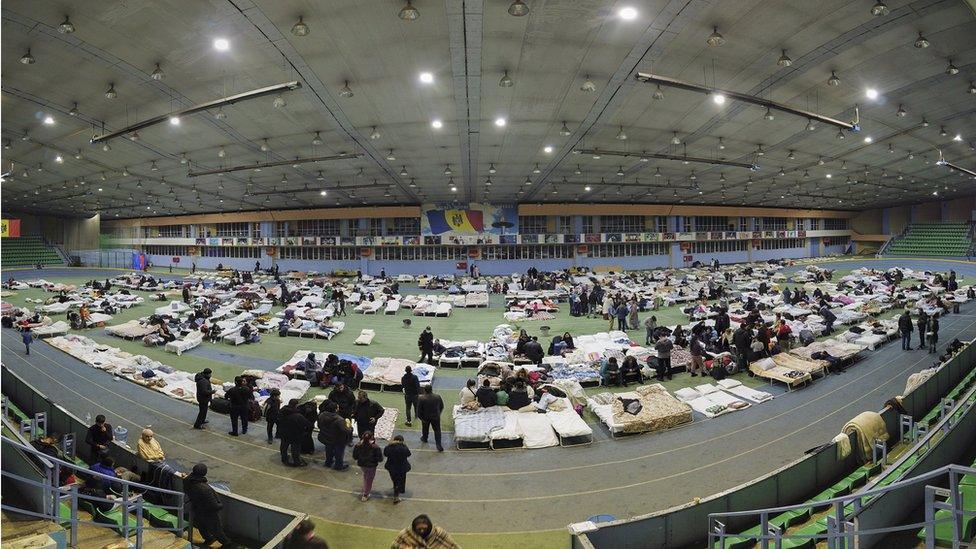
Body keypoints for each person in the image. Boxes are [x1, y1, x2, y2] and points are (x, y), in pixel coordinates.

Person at [184, 463, 235, 548]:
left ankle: (208, 538)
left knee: (200, 525)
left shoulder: (187, 480)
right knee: (216, 529)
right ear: (204, 473)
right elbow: (214, 506)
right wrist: (220, 505)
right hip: (208, 512)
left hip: (196, 508)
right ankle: (227, 543)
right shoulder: (205, 489)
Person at [391, 514, 460, 549]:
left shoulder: (438, 532)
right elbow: (394, 546)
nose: (422, 531)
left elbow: (453, 546)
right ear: (414, 527)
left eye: (424, 528)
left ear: (429, 526)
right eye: (419, 529)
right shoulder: (405, 533)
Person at [317, 401, 351, 470]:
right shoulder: (339, 419)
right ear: (335, 409)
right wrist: (350, 428)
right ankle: (338, 466)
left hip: (326, 437)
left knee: (328, 450)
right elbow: (345, 430)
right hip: (338, 439)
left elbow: (319, 425)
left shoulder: (321, 415)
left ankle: (328, 462)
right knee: (339, 453)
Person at [277, 400, 310, 467]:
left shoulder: (282, 411)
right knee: (295, 449)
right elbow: (307, 424)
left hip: (283, 432)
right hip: (295, 435)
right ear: (296, 405)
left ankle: (284, 458)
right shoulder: (298, 416)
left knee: (284, 446)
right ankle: (297, 462)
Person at [352, 431, 383, 502]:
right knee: (369, 479)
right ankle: (365, 494)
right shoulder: (375, 447)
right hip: (371, 466)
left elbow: (355, 456)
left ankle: (365, 489)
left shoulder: (358, 445)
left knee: (366, 476)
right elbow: (380, 459)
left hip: (362, 465)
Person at [384, 435, 412, 504]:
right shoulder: (404, 448)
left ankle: (395, 487)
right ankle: (396, 495)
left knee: (394, 479)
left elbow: (385, 453)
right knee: (401, 481)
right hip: (401, 467)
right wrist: (404, 446)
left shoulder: (389, 447)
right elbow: (409, 454)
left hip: (391, 467)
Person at [417, 386, 444, 452]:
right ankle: (438, 444)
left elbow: (419, 410)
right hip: (436, 417)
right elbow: (441, 406)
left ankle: (425, 438)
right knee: (437, 430)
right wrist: (438, 414)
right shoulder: (437, 396)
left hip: (425, 417)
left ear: (424, 390)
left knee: (425, 429)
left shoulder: (421, 398)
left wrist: (421, 418)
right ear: (431, 389)